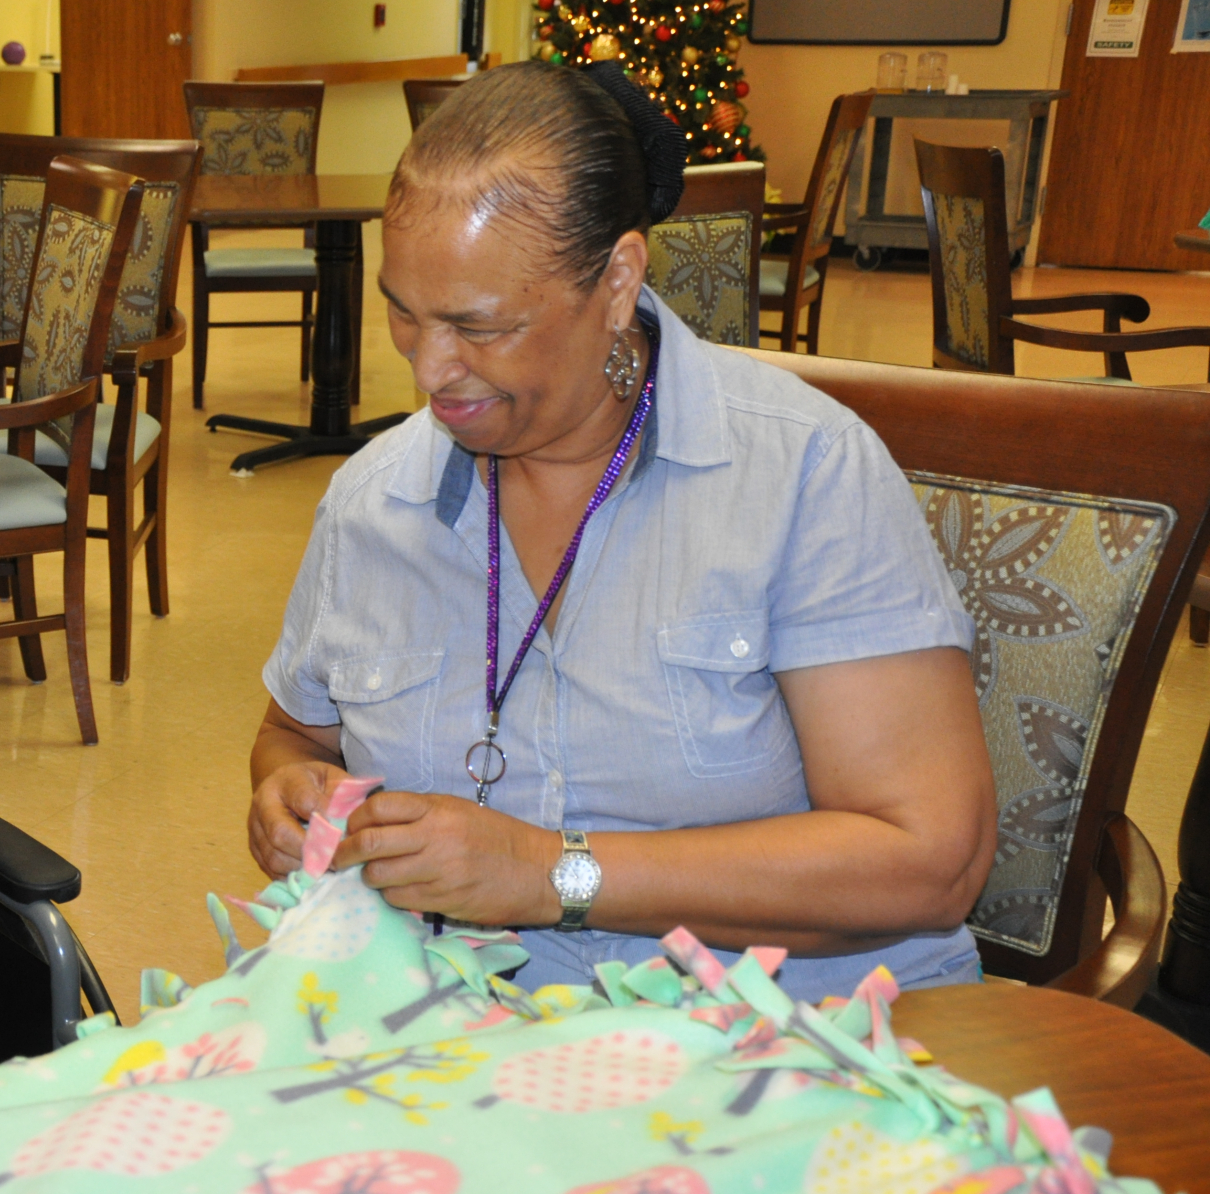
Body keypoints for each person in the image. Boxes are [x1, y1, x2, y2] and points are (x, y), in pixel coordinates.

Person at [248, 62, 997, 1002]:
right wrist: (291, 799)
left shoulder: (802, 472)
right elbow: (295, 734)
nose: (431, 372)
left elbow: (927, 861)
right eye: (405, 313)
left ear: (616, 280)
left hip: (787, 1034)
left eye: (480, 326)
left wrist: (551, 872)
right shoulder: (374, 500)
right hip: (474, 1036)